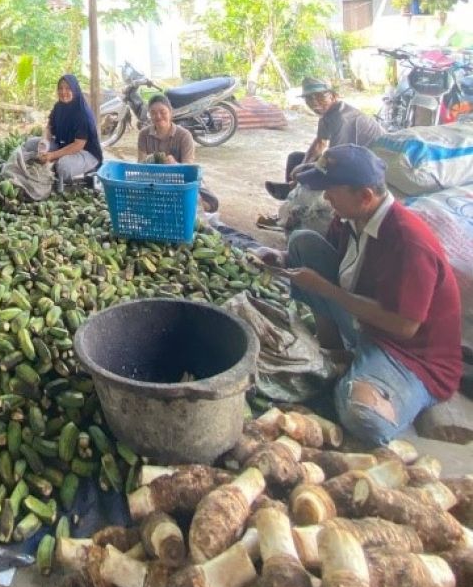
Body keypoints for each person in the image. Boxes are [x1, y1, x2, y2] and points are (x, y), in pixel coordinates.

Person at [258, 144, 462, 445]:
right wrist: (280, 258)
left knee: (363, 417)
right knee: (302, 243)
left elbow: (404, 327)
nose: (326, 197)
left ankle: (361, 376)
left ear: (365, 196)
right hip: (364, 325)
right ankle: (335, 353)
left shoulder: (408, 243)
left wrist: (326, 290)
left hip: (409, 353)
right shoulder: (349, 218)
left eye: (331, 190)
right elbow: (335, 270)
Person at [264, 77, 384, 201]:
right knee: (295, 158)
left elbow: (334, 161)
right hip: (353, 160)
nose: (314, 102)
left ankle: (293, 194)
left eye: (320, 96)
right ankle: (292, 195)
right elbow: (320, 143)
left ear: (333, 96)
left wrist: (302, 172)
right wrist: (303, 165)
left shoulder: (341, 118)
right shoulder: (327, 115)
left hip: (370, 167)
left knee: (318, 170)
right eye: (309, 98)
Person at [136, 94, 218, 213]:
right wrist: (153, 159)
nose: (158, 116)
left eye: (162, 112)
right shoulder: (143, 135)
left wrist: (175, 165)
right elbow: (140, 165)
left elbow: (189, 168)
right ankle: (178, 204)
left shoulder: (184, 135)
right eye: (153, 113)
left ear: (171, 112)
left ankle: (180, 203)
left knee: (212, 203)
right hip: (153, 180)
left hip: (180, 180)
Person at [24, 74, 103, 184]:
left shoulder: (82, 113)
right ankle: (50, 166)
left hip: (86, 152)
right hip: (64, 145)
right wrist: (44, 143)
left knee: (63, 166)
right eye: (60, 88)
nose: (63, 92)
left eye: (68, 88)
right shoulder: (58, 107)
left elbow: (78, 145)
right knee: (30, 144)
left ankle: (83, 169)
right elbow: (49, 127)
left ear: (75, 90)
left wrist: (52, 155)